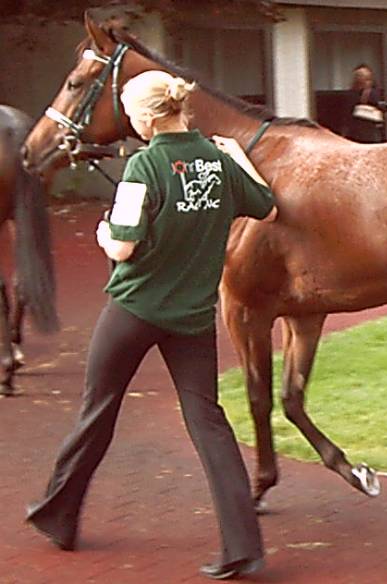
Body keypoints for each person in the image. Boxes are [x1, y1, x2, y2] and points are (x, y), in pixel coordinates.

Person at [25, 70, 277, 581]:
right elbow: (266, 207)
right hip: (192, 319)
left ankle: (59, 515)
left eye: (130, 113)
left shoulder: (143, 165)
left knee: (98, 410)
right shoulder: (218, 162)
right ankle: (242, 546)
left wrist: (102, 233)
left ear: (147, 117)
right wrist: (238, 157)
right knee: (208, 423)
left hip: (134, 311)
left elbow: (123, 246)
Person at [344, 64, 387, 144]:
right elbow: (347, 114)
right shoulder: (353, 94)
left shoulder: (375, 93)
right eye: (359, 76)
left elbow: (381, 110)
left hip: (371, 130)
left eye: (365, 77)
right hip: (357, 131)